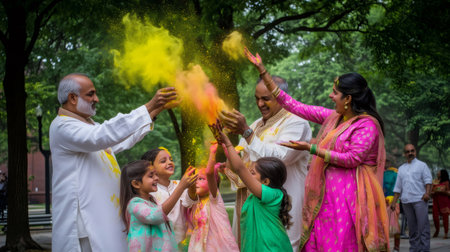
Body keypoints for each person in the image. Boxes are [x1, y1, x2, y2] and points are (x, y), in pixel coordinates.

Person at [245, 48, 389, 251]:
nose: (331, 96)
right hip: (326, 194)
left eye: (335, 93)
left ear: (347, 99)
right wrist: (263, 72)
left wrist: (312, 148)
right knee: (320, 240)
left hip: (351, 196)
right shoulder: (334, 118)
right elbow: (294, 105)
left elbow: (353, 158)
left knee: (343, 241)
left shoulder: (367, 125)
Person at [49, 73, 179, 251]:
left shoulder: (89, 127)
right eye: (91, 94)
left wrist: (153, 112)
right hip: (84, 225)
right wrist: (148, 106)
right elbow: (103, 135)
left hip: (105, 215)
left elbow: (118, 140)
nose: (97, 99)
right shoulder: (62, 126)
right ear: (72, 98)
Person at [220, 75, 311, 250]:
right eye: (257, 99)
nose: (260, 104)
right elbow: (240, 162)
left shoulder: (297, 123)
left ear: (281, 96)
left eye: (265, 99)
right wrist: (225, 143)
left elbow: (279, 158)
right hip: (251, 202)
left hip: (281, 208)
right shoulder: (255, 125)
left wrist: (246, 132)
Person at [219, 130, 293, 251]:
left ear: (266, 182)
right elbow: (238, 171)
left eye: (252, 173)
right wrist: (228, 153)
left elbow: (240, 169)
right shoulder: (255, 195)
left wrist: (228, 143)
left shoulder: (272, 195)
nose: (247, 174)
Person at [119, 160, 197, 252]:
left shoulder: (152, 202)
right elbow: (156, 216)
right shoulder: (135, 204)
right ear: (136, 184)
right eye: (151, 176)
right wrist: (181, 187)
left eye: (156, 174)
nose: (156, 178)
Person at [185, 142, 239, 252]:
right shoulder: (193, 202)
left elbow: (209, 173)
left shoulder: (214, 198)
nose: (196, 182)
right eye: (195, 179)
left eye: (201, 179)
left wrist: (212, 152)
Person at [141, 147, 197, 246]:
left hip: (182, 241)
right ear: (150, 167)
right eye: (163, 161)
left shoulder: (178, 184)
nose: (170, 162)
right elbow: (157, 215)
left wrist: (192, 184)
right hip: (160, 244)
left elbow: (189, 202)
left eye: (171, 159)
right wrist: (182, 187)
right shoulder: (149, 191)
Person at [391, 144, 432, 251]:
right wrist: (394, 202)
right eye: (408, 151)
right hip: (406, 202)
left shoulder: (422, 165)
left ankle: (424, 249)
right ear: (405, 154)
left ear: (415, 152)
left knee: (423, 227)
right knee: (412, 228)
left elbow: (428, 181)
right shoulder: (401, 169)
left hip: (420, 200)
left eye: (412, 151)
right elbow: (398, 187)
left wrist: (427, 193)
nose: (410, 153)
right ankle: (414, 248)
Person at [384, 156, 401, 251]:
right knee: (383, 225)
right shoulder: (380, 172)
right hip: (382, 202)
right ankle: (385, 247)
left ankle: (396, 247)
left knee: (395, 225)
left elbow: (398, 189)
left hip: (393, 202)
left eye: (387, 161)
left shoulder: (395, 173)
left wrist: (394, 201)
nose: (385, 163)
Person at [431, 169, 450, 239]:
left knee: (445, 218)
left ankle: (446, 233)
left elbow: (448, 192)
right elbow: (432, 192)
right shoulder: (435, 181)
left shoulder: (446, 182)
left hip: (444, 201)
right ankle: (437, 230)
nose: (437, 173)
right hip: (436, 201)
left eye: (439, 173)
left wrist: (442, 191)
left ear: (442, 174)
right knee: (435, 217)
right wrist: (432, 193)